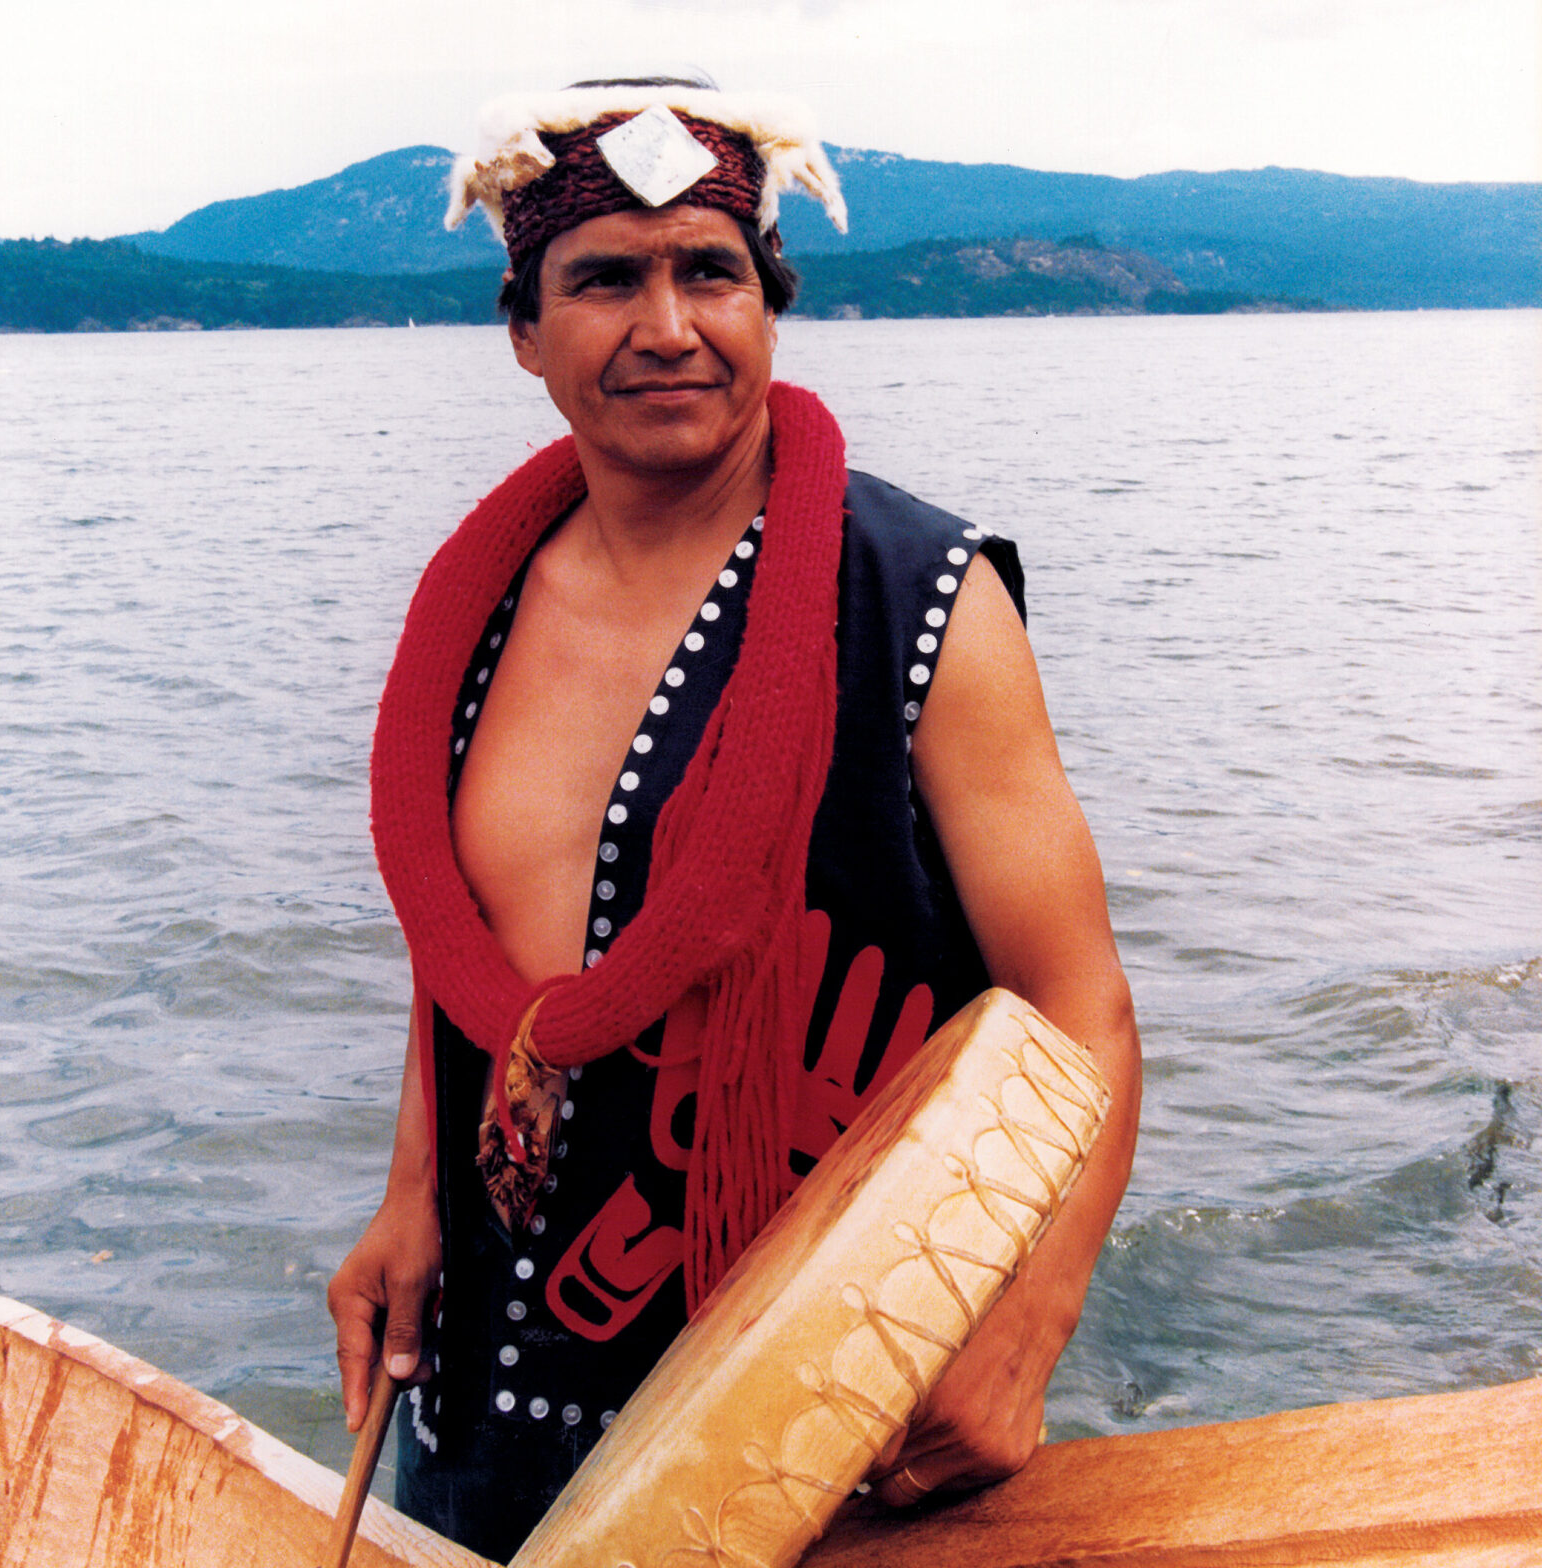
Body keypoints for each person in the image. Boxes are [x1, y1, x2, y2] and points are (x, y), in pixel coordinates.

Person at [329, 76, 1140, 1561]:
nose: (666, 327)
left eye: (710, 271)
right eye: (603, 281)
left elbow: (1077, 1004)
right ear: (523, 334)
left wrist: (1027, 1323)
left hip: (817, 1410)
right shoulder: (475, 618)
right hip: (478, 1410)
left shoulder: (919, 602)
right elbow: (477, 950)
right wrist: (408, 1197)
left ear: (769, 307)